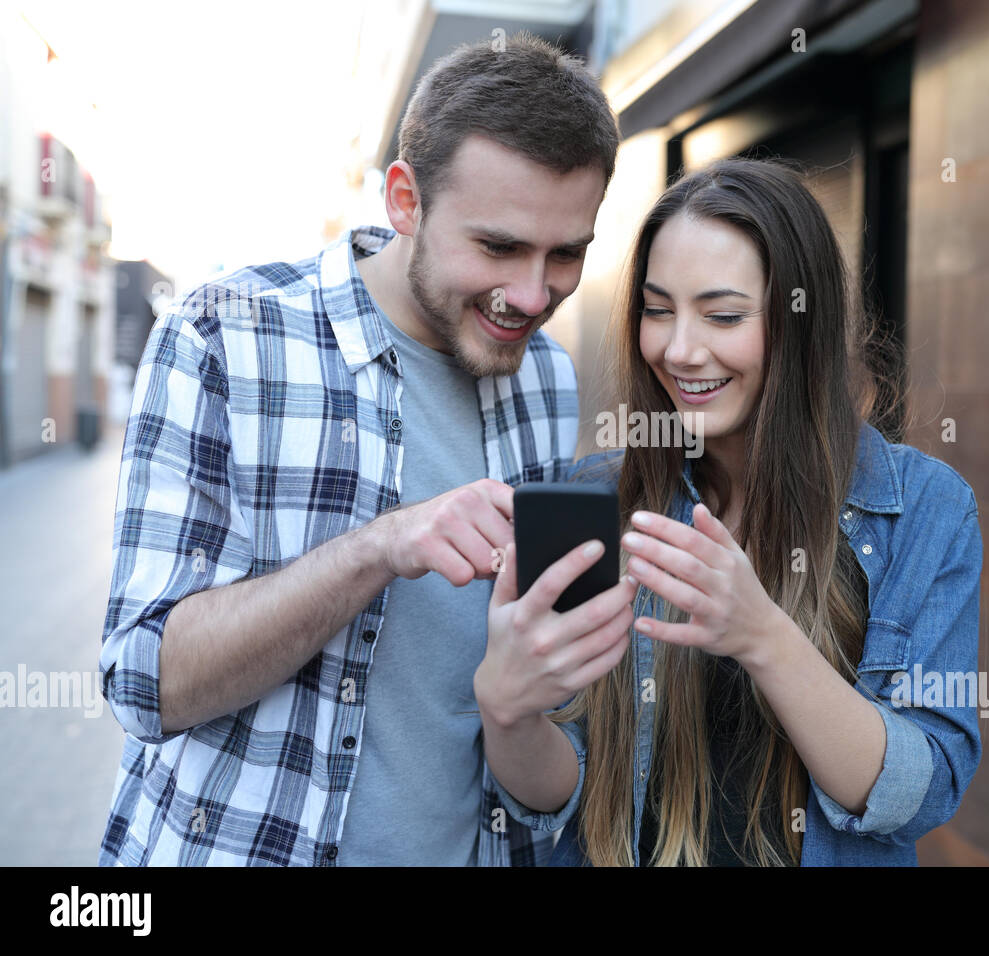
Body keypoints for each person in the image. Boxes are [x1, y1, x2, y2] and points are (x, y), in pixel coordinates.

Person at [97, 32, 619, 866]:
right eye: (498, 247)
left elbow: (536, 713)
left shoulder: (549, 380)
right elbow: (144, 682)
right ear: (405, 201)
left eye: (567, 255)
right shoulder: (222, 335)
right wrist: (381, 547)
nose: (531, 294)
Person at [476, 157, 983, 865]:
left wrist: (761, 637)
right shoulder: (600, 496)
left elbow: (917, 794)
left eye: (722, 315)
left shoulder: (926, 510)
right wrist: (509, 713)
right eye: (657, 310)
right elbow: (562, 791)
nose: (680, 350)